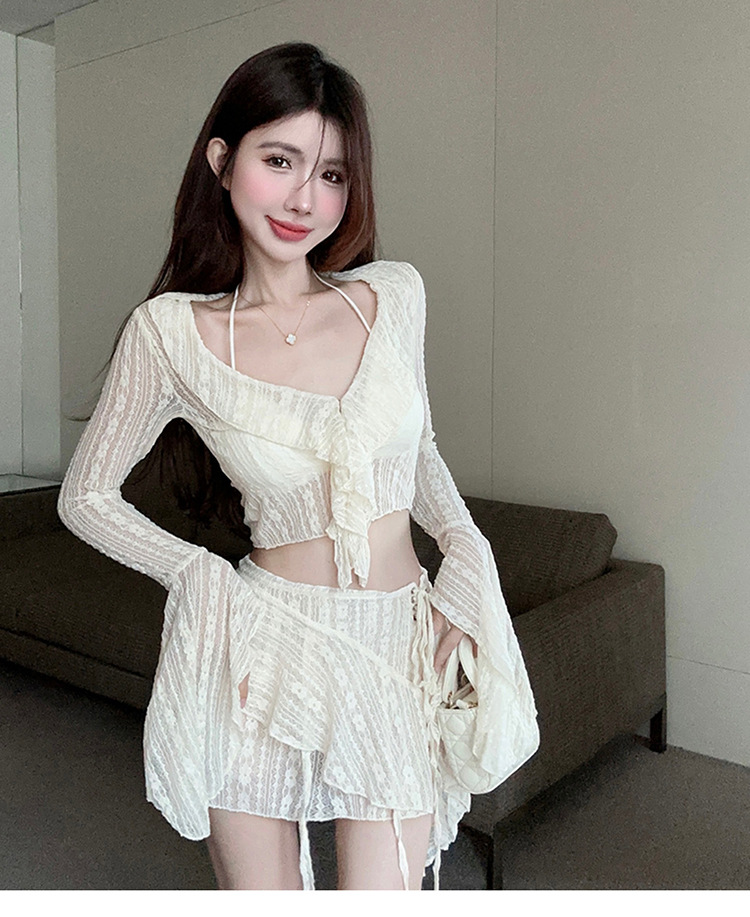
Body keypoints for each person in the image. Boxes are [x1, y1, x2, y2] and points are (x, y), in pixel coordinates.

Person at [57, 41, 539, 891]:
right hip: (259, 648)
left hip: (392, 653)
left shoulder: (393, 297)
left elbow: (419, 451)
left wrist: (466, 557)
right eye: (279, 161)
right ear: (222, 161)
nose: (305, 199)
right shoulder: (170, 334)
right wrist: (197, 575)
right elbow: (85, 494)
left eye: (332, 174)